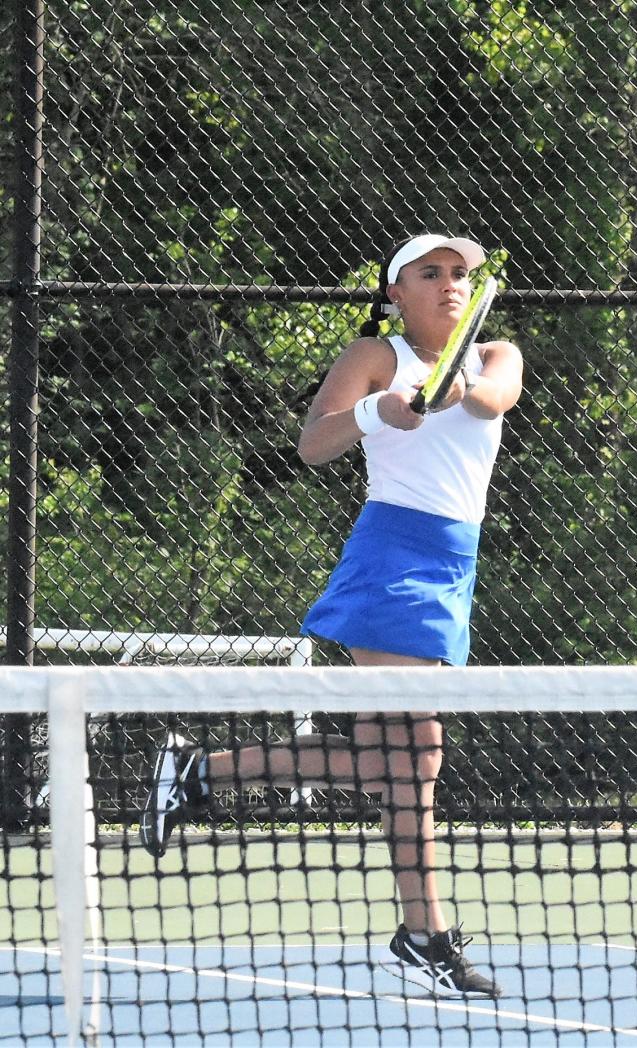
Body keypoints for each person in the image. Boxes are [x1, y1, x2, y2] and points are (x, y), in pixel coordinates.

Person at [139, 233, 523, 1000]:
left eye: (458, 274)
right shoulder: (375, 356)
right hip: (391, 561)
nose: (450, 284)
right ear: (395, 295)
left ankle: (199, 774)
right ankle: (425, 936)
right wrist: (380, 412)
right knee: (416, 760)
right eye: (430, 273)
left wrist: (454, 394)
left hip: (454, 566)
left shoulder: (495, 353)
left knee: (404, 769)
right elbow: (316, 443)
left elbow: (494, 398)